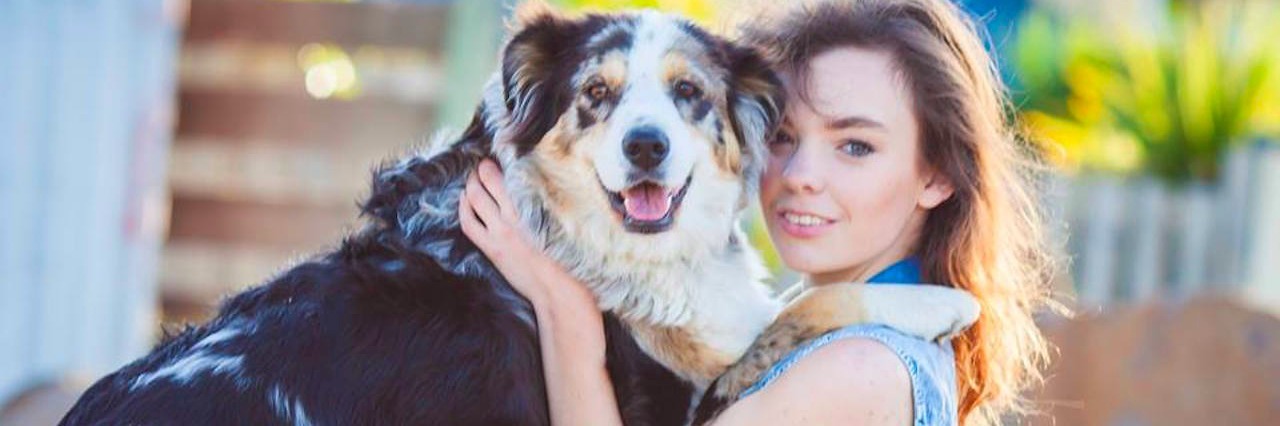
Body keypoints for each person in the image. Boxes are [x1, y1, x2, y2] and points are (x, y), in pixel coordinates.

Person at [458, 0, 1058, 424]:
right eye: (783, 138)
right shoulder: (865, 339)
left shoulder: (855, 370)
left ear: (938, 175)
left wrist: (563, 311)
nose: (799, 176)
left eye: (855, 146)